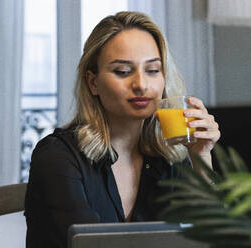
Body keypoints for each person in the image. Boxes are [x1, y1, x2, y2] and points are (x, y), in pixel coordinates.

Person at [24, 11, 220, 248]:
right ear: (93, 82)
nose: (141, 84)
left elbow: (214, 236)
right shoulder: (57, 156)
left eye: (153, 70)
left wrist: (200, 157)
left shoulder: (168, 157)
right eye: (123, 71)